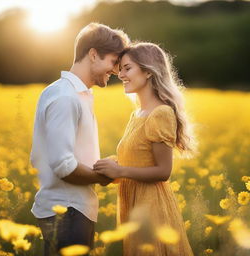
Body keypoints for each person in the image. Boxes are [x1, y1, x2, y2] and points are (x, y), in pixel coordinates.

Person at [30, 23, 129, 256]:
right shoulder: (65, 97)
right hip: (67, 210)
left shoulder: (78, 94)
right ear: (93, 54)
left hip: (73, 209)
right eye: (114, 62)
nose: (116, 71)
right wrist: (105, 177)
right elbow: (63, 165)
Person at [94, 42, 195, 256]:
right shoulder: (137, 114)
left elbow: (163, 171)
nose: (120, 74)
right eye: (120, 68)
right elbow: (138, 161)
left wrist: (120, 171)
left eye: (127, 68)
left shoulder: (161, 113)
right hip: (133, 204)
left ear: (148, 71)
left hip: (150, 207)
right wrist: (110, 167)